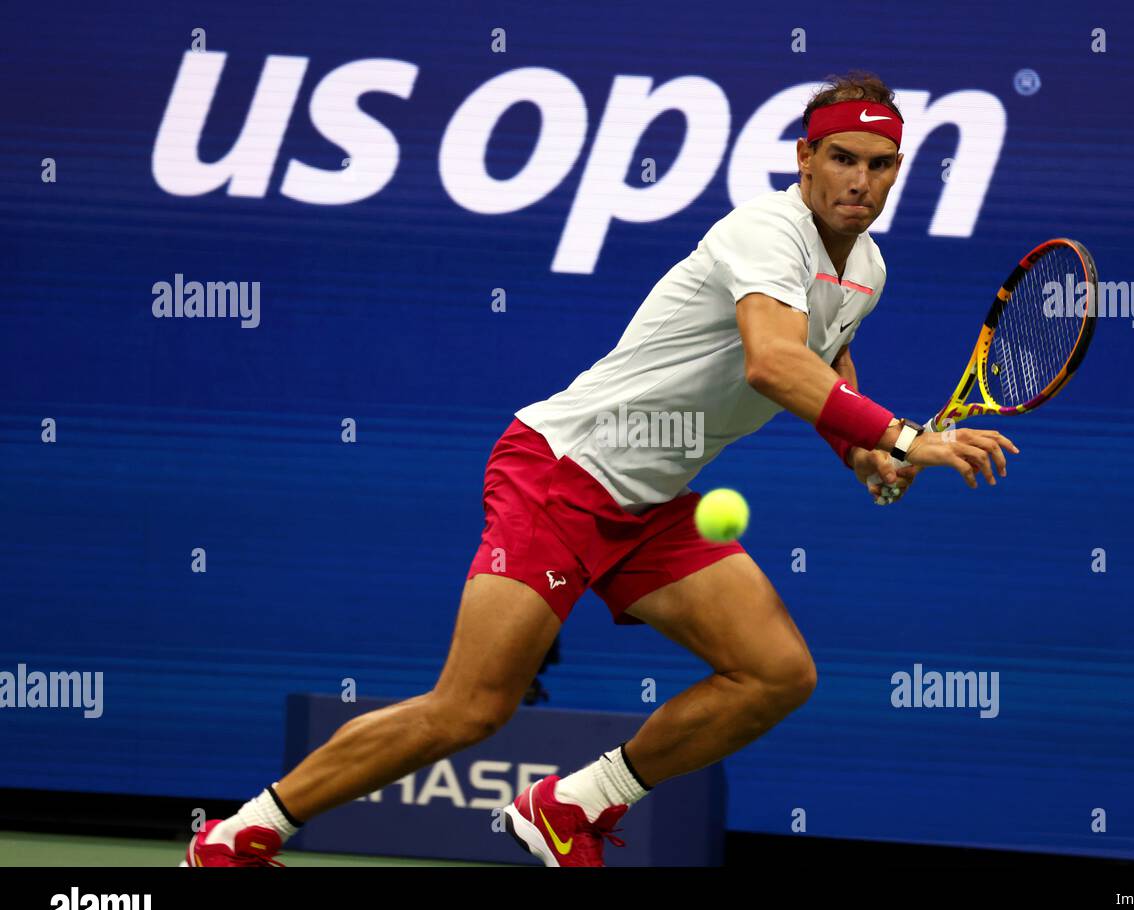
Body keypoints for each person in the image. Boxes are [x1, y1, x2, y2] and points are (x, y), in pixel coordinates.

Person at [181, 69, 1017, 869]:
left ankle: (574, 804)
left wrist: (864, 453)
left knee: (775, 673)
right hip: (562, 472)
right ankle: (238, 836)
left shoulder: (867, 268)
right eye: (841, 158)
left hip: (652, 501)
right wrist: (908, 437)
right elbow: (771, 364)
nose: (858, 181)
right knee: (470, 708)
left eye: (878, 166)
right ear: (805, 157)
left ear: (897, 172)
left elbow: (824, 366)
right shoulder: (764, 231)